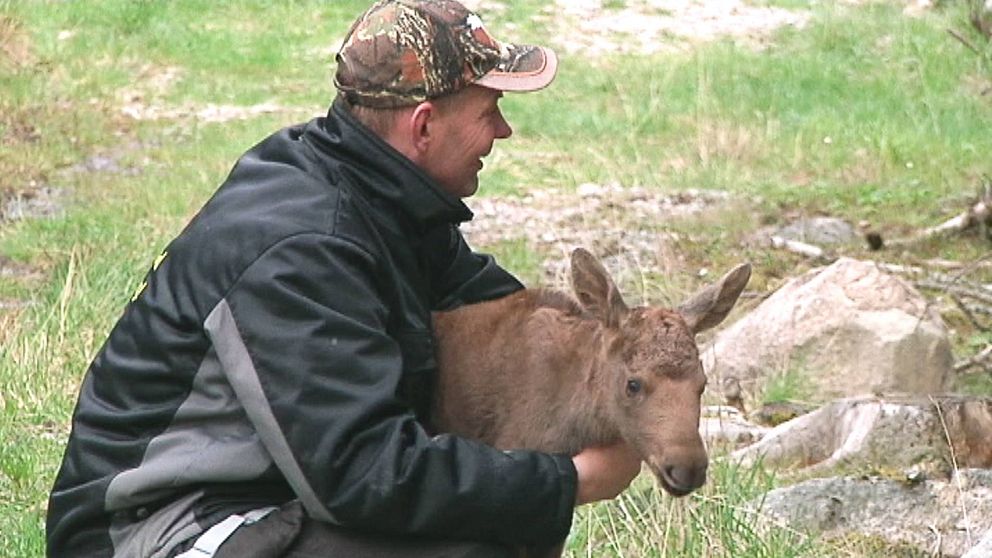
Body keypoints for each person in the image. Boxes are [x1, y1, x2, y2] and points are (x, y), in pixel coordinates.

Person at [46, 1, 642, 557]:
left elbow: (509, 314)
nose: (503, 132)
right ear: (424, 126)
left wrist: (630, 356)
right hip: (155, 529)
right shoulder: (305, 249)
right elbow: (362, 473)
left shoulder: (382, 197)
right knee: (481, 537)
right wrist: (569, 480)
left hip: (262, 498)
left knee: (498, 520)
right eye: (489, 111)